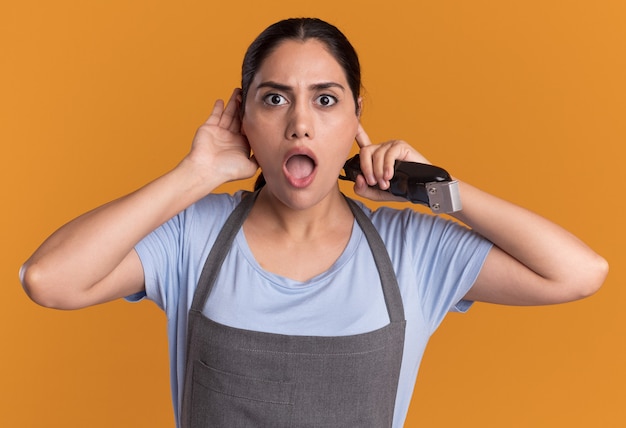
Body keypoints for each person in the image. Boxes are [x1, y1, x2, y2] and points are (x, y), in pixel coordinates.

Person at [20, 17, 608, 428]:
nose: (300, 123)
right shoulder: (193, 235)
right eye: (274, 99)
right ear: (242, 116)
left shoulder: (408, 250)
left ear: (356, 117)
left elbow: (578, 273)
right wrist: (194, 174)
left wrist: (441, 190)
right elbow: (49, 280)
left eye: (326, 100)